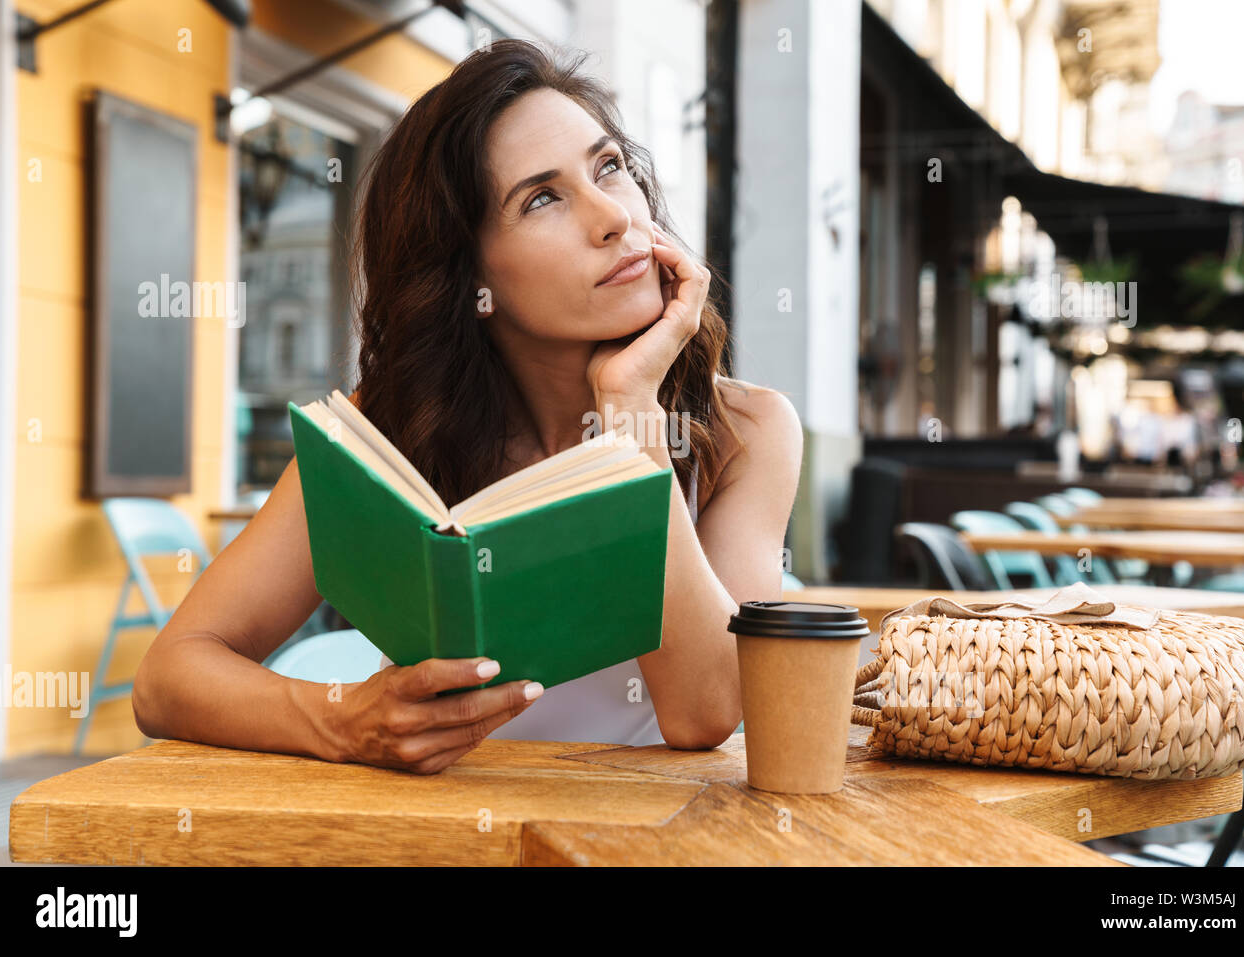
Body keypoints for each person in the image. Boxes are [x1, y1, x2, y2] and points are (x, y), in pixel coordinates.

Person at [132, 39, 803, 776]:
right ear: (469, 274)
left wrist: (631, 409)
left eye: (610, 166)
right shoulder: (394, 429)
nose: (614, 216)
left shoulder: (747, 432)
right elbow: (169, 676)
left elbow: (706, 710)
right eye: (542, 197)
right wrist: (342, 719)